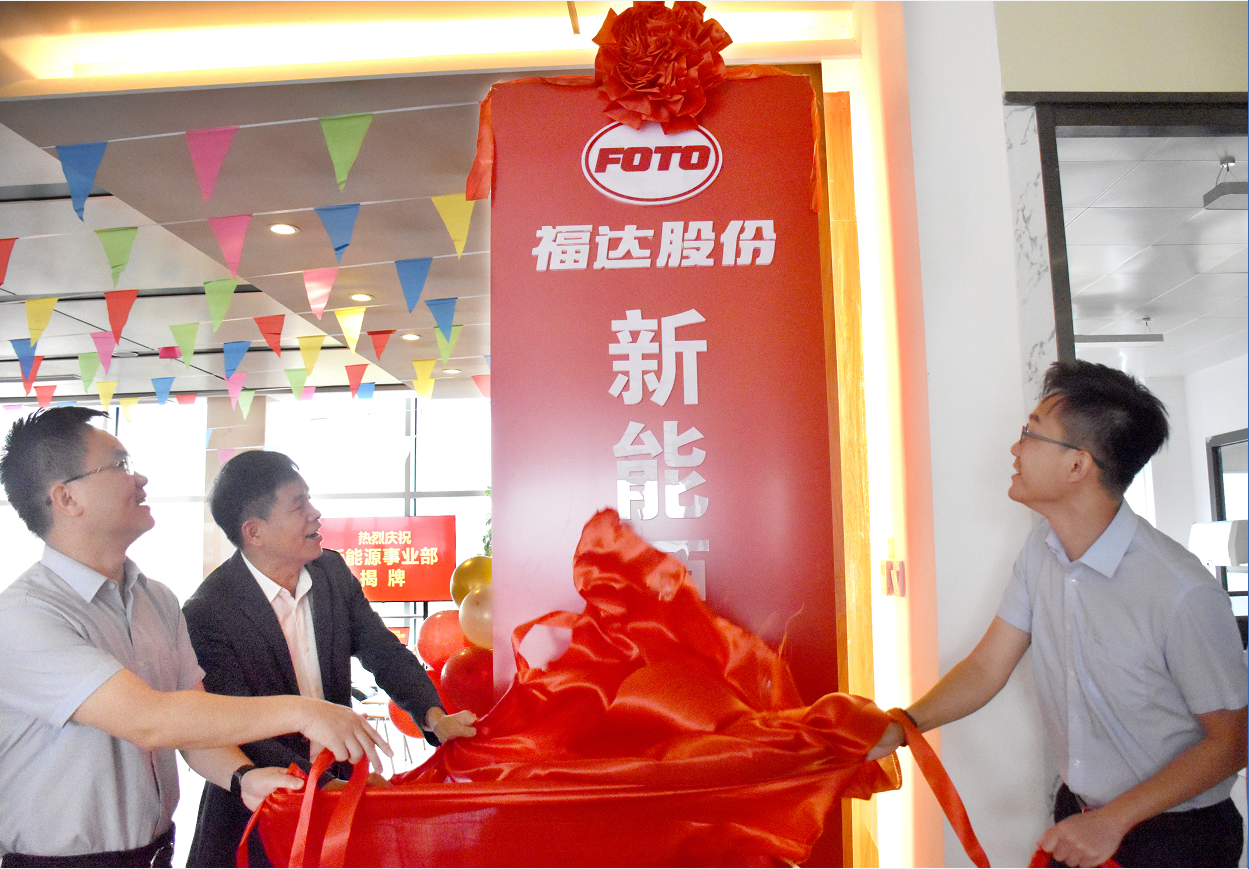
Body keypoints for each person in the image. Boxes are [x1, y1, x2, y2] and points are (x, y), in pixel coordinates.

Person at [871, 360, 1248, 868]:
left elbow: (1233, 742)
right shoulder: (1041, 550)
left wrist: (1113, 821)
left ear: (1078, 466)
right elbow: (987, 666)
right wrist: (903, 725)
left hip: (1177, 836)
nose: (1015, 448)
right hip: (1080, 816)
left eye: (1031, 433)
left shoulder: (1180, 591)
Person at [0, 407, 390, 867]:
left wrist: (242, 777)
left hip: (155, 853)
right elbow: (149, 719)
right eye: (120, 465)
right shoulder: (26, 615)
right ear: (66, 498)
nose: (140, 478)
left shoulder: (156, 600)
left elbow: (192, 724)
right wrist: (304, 712)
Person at [183, 449, 478, 867]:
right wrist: (319, 784)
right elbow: (238, 724)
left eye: (310, 499)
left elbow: (382, 650)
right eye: (298, 505)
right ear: (255, 532)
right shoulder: (209, 611)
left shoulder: (331, 573)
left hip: (338, 799)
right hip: (259, 813)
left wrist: (434, 716)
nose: (315, 514)